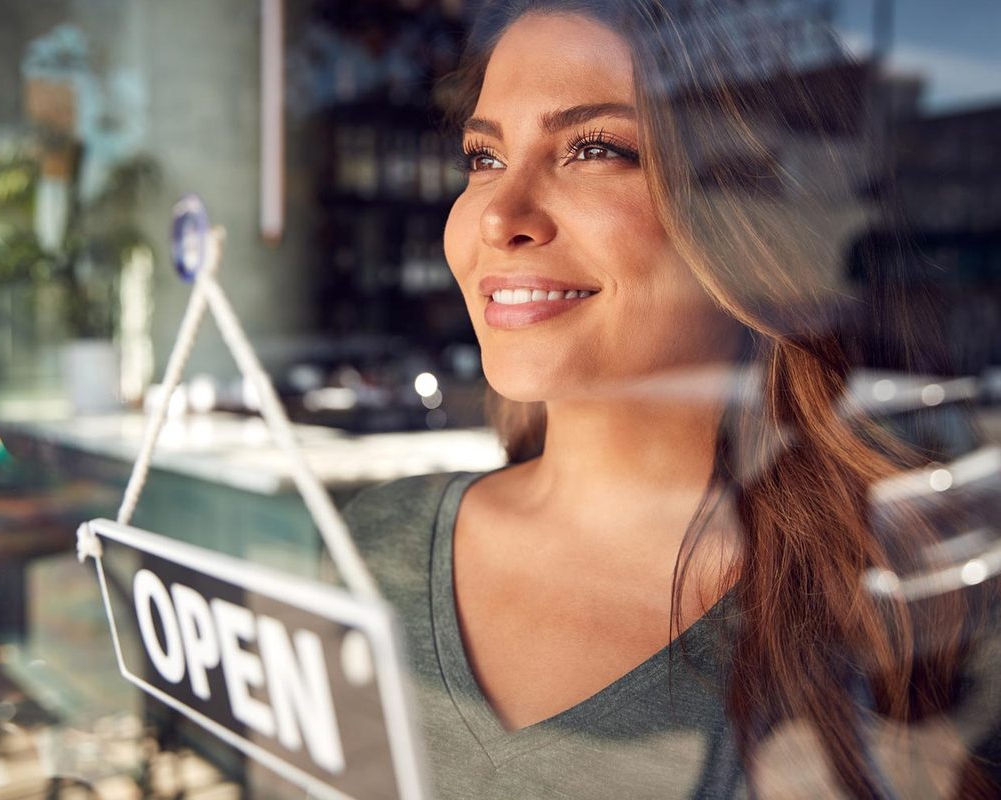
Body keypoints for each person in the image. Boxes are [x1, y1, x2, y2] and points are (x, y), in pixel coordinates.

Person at [341, 1, 1001, 797]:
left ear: (752, 218)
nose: (498, 217)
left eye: (594, 148)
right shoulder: (370, 549)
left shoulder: (918, 609)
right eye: (483, 159)